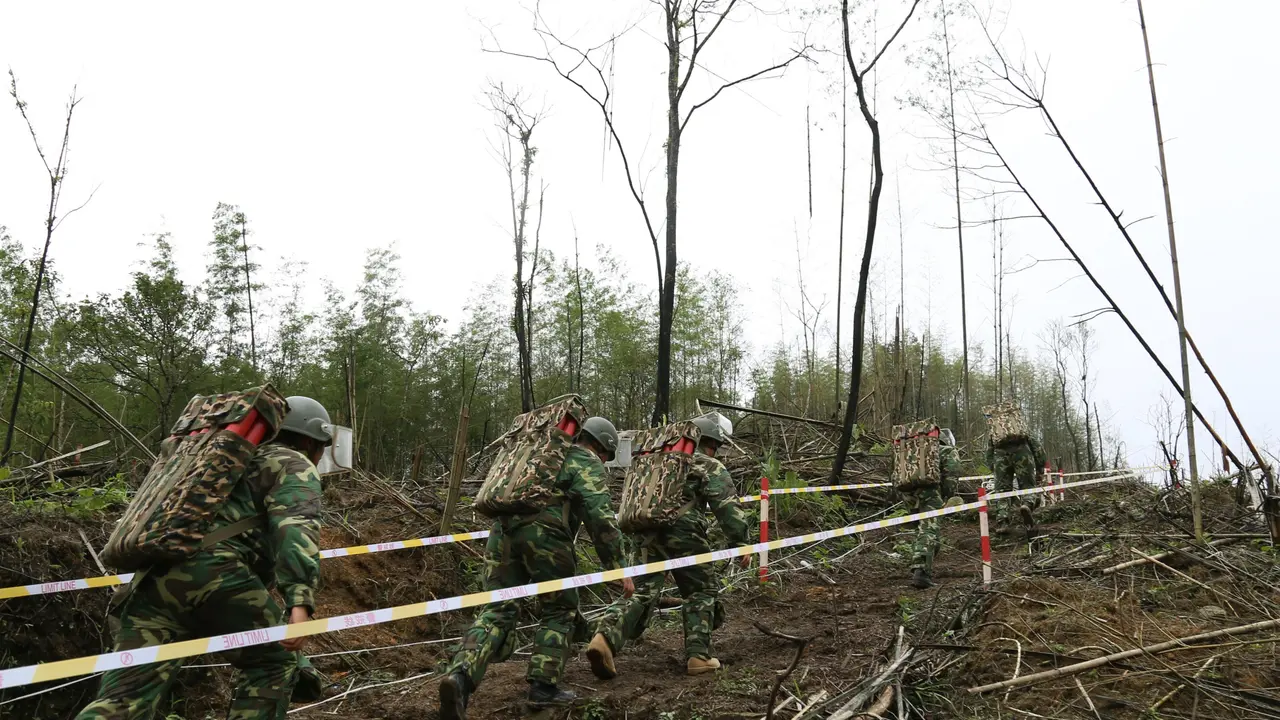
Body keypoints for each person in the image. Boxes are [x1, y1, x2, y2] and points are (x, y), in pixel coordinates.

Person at [77, 396, 331, 720]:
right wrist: (300, 600)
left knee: (122, 700)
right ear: (310, 439)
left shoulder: (219, 458)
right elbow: (296, 527)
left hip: (154, 578)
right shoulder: (292, 462)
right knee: (275, 660)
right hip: (215, 576)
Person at [439, 416, 632, 720]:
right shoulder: (584, 460)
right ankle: (543, 687)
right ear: (601, 447)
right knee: (560, 608)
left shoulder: (539, 454)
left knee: (498, 609)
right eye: (606, 456)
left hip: (501, 532)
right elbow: (601, 518)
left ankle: (459, 677)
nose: (605, 461)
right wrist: (618, 566)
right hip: (545, 536)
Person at [586, 414, 750, 680]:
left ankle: (604, 638)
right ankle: (699, 655)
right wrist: (741, 542)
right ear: (708, 442)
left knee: (643, 591)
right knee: (701, 590)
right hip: (685, 534)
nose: (714, 451)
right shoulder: (707, 463)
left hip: (645, 532)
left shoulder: (654, 462)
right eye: (715, 446)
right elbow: (727, 506)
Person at [903, 428, 961, 589]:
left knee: (922, 529)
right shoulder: (947, 450)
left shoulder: (912, 451)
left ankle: (921, 562)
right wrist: (947, 495)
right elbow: (952, 474)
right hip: (931, 492)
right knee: (929, 529)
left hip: (908, 493)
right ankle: (920, 572)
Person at [986, 426, 1048, 540]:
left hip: (1000, 455)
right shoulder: (1019, 424)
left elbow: (989, 450)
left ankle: (1002, 522)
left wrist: (993, 466)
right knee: (1027, 486)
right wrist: (1040, 466)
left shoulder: (996, 427)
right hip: (1022, 453)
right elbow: (1036, 446)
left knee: (1002, 491)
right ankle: (1027, 505)